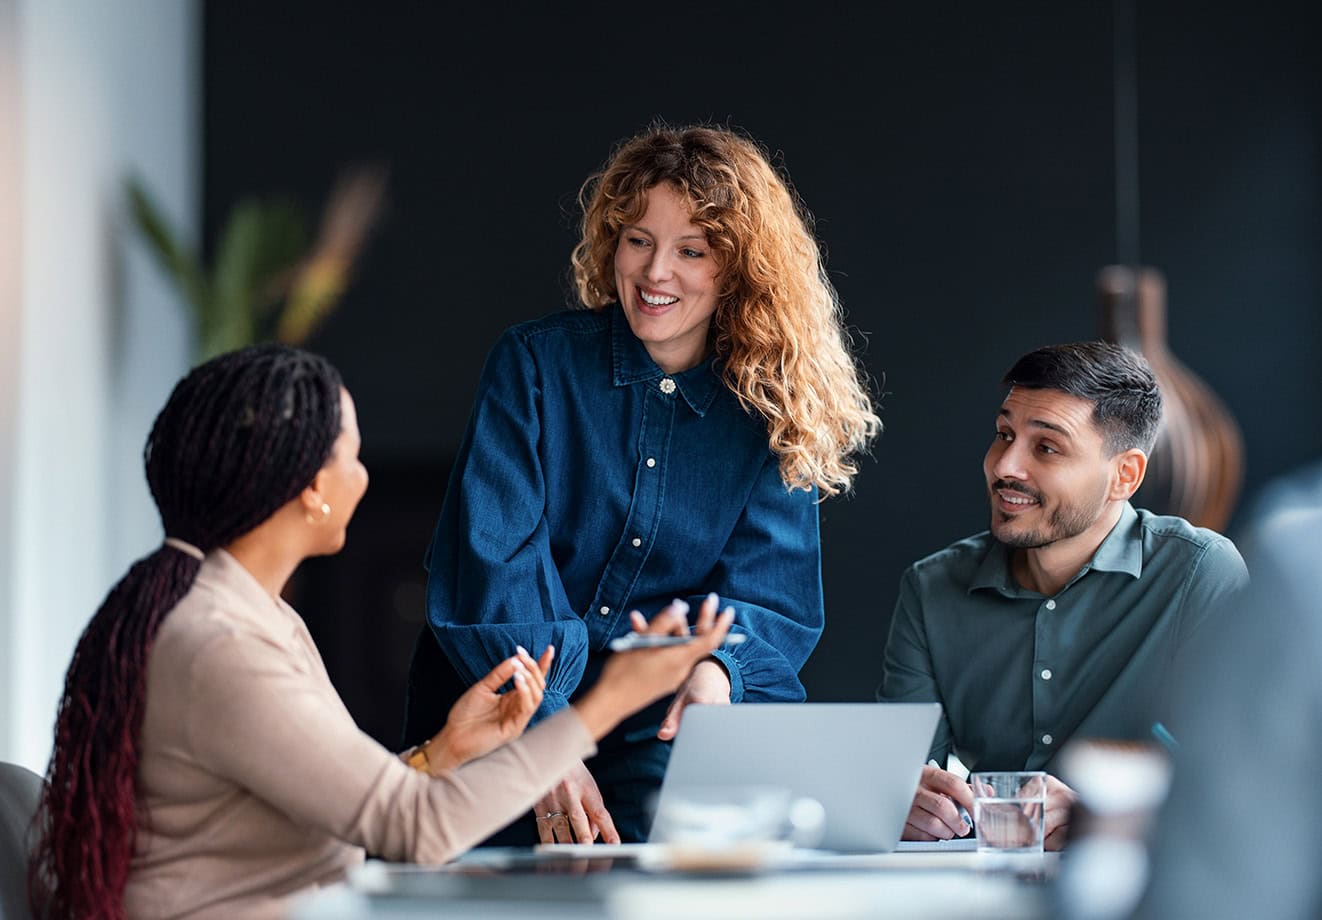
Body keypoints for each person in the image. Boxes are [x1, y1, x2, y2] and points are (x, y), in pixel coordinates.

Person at [27, 345, 731, 920]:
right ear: (311, 488)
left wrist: (445, 749)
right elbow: (418, 830)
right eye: (352, 457)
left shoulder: (246, 613)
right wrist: (605, 705)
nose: (363, 478)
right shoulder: (220, 644)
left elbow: (346, 815)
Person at [404, 124, 880, 845]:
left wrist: (715, 674)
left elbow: (768, 598)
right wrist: (547, 737)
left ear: (741, 270)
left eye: (691, 251)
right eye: (637, 240)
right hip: (495, 699)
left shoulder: (771, 407)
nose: (656, 272)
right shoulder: (533, 366)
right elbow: (492, 564)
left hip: (653, 717)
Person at [879, 342, 1247, 850]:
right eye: (1004, 434)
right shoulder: (930, 587)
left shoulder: (1200, 573)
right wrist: (904, 800)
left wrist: (1110, 815)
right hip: (974, 883)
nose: (1005, 465)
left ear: (1126, 475)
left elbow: (1242, 773)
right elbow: (904, 771)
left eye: (1046, 448)